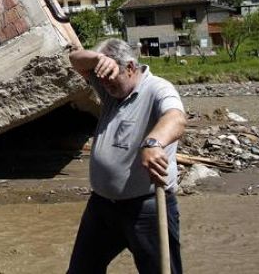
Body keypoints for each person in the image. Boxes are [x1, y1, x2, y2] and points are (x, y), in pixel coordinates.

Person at [66, 38, 186, 274]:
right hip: (102, 207)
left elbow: (176, 118)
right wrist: (99, 60)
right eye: (101, 78)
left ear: (130, 68)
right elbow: (74, 60)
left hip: (146, 209)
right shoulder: (111, 89)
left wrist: (153, 142)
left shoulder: (158, 88)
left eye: (110, 77)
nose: (104, 84)